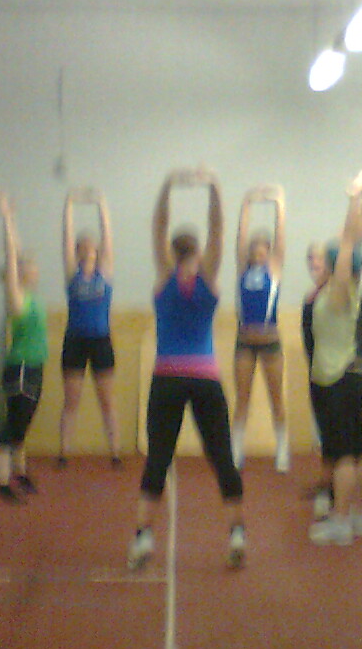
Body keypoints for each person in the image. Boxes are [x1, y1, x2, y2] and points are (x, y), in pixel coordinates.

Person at [128, 166, 247, 570]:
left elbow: (157, 226)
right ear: (197, 251)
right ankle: (237, 532)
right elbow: (219, 230)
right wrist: (214, 186)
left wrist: (166, 186)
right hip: (205, 379)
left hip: (166, 379)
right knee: (222, 457)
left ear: (170, 251)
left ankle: (143, 537)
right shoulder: (208, 278)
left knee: (158, 458)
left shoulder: (165, 277)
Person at [309, 167, 362, 545]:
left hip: (336, 379)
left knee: (344, 455)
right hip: (347, 376)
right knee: (357, 450)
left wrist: (354, 196)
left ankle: (339, 522)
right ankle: (356, 516)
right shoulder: (348, 287)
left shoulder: (338, 290)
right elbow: (354, 238)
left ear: (339, 265)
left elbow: (350, 241)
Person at [58, 186, 121, 465]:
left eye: (90, 245)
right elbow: (65, 238)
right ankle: (64, 452)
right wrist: (69, 205)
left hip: (100, 341)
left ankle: (115, 453)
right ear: (77, 250)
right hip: (75, 341)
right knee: (71, 400)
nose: (86, 248)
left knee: (107, 401)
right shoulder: (71, 274)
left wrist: (101, 204)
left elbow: (108, 237)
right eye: (81, 245)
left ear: (96, 250)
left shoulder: (104, 272)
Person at [231, 184, 290, 472]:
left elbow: (281, 239)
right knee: (242, 398)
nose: (257, 253)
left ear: (268, 252)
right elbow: (240, 238)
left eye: (262, 250)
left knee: (276, 397)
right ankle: (235, 450)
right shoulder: (243, 269)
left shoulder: (274, 269)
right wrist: (246, 204)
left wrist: (279, 204)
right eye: (253, 250)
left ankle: (282, 449)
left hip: (269, 341)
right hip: (245, 340)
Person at [0, 191, 47, 501]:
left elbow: (17, 249)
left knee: (22, 424)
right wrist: (5, 220)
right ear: (21, 272)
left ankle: (19, 471)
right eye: (31, 265)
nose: (36, 269)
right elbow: (11, 254)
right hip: (22, 367)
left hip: (34, 366)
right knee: (13, 426)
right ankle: (1, 482)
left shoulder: (31, 296)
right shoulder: (17, 298)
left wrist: (13, 219)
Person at [300, 239, 334, 519]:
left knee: (332, 431)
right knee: (322, 430)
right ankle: (326, 480)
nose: (314, 262)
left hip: (332, 373)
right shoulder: (312, 295)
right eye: (310, 258)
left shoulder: (332, 294)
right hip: (316, 370)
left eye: (319, 258)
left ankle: (332, 489)